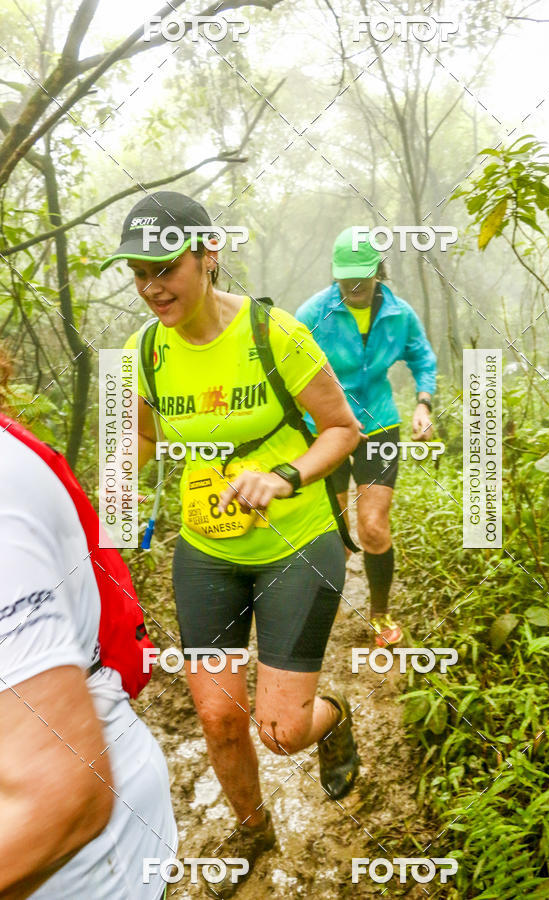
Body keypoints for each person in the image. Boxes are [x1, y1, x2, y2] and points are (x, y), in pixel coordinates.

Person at [100, 191, 362, 894]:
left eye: (165, 268)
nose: (152, 288)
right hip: (208, 551)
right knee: (219, 718)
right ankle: (253, 829)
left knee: (281, 732)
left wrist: (283, 475)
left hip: (296, 543)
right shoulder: (144, 351)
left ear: (208, 255)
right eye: (138, 274)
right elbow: (143, 437)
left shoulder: (275, 334)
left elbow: (342, 429)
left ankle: (333, 716)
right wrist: (113, 490)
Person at [0, 352, 177, 899]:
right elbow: (128, 440)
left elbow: (58, 799)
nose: (156, 303)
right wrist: (117, 502)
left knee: (252, 719)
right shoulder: (138, 350)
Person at [295, 227, 437, 648]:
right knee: (334, 534)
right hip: (325, 428)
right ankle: (324, 608)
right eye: (346, 278)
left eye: (362, 277)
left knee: (373, 526)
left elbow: (422, 358)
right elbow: (287, 369)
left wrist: (423, 404)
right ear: (335, 274)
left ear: (379, 271)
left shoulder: (399, 314)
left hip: (379, 424)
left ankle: (379, 612)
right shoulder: (312, 313)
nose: (353, 286)